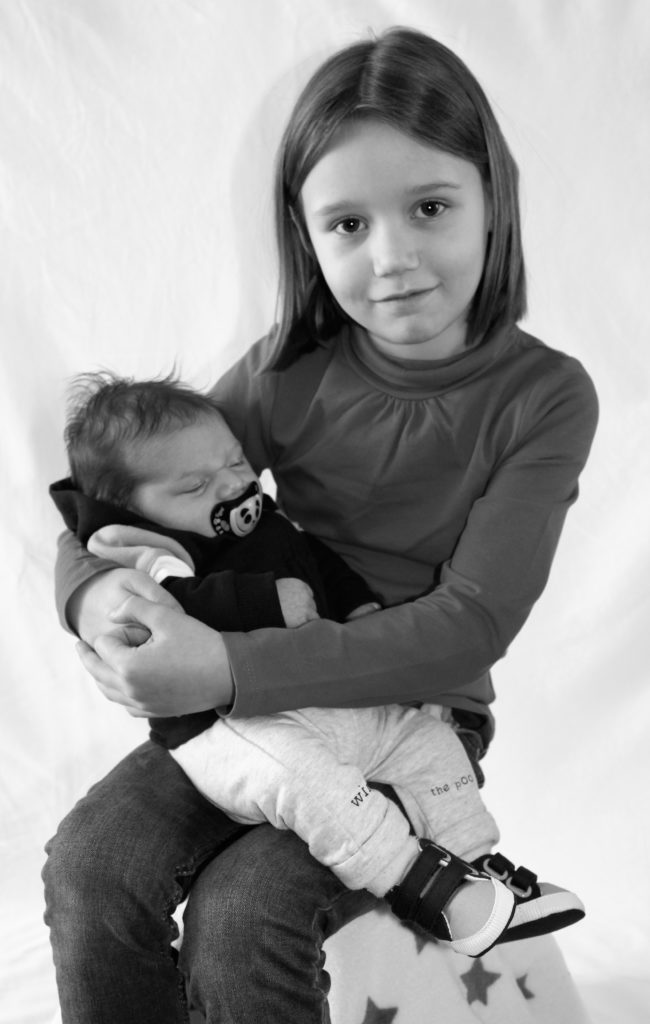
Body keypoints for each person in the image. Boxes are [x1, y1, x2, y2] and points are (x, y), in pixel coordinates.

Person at [43, 26, 599, 1024]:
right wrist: (93, 600)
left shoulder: (542, 397)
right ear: (305, 237)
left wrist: (226, 667)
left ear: (494, 200)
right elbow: (116, 502)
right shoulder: (286, 370)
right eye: (347, 223)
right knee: (92, 863)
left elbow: (469, 625)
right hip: (250, 712)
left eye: (429, 207)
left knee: (242, 914)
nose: (393, 259)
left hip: (412, 719)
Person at [50, 372, 585, 961]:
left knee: (429, 744)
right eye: (196, 485)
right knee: (316, 789)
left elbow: (316, 559)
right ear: (128, 510)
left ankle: (479, 863)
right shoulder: (153, 547)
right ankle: (419, 885)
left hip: (330, 698)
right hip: (234, 729)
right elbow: (169, 608)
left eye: (236, 461)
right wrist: (259, 602)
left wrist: (357, 605)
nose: (232, 483)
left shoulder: (257, 514)